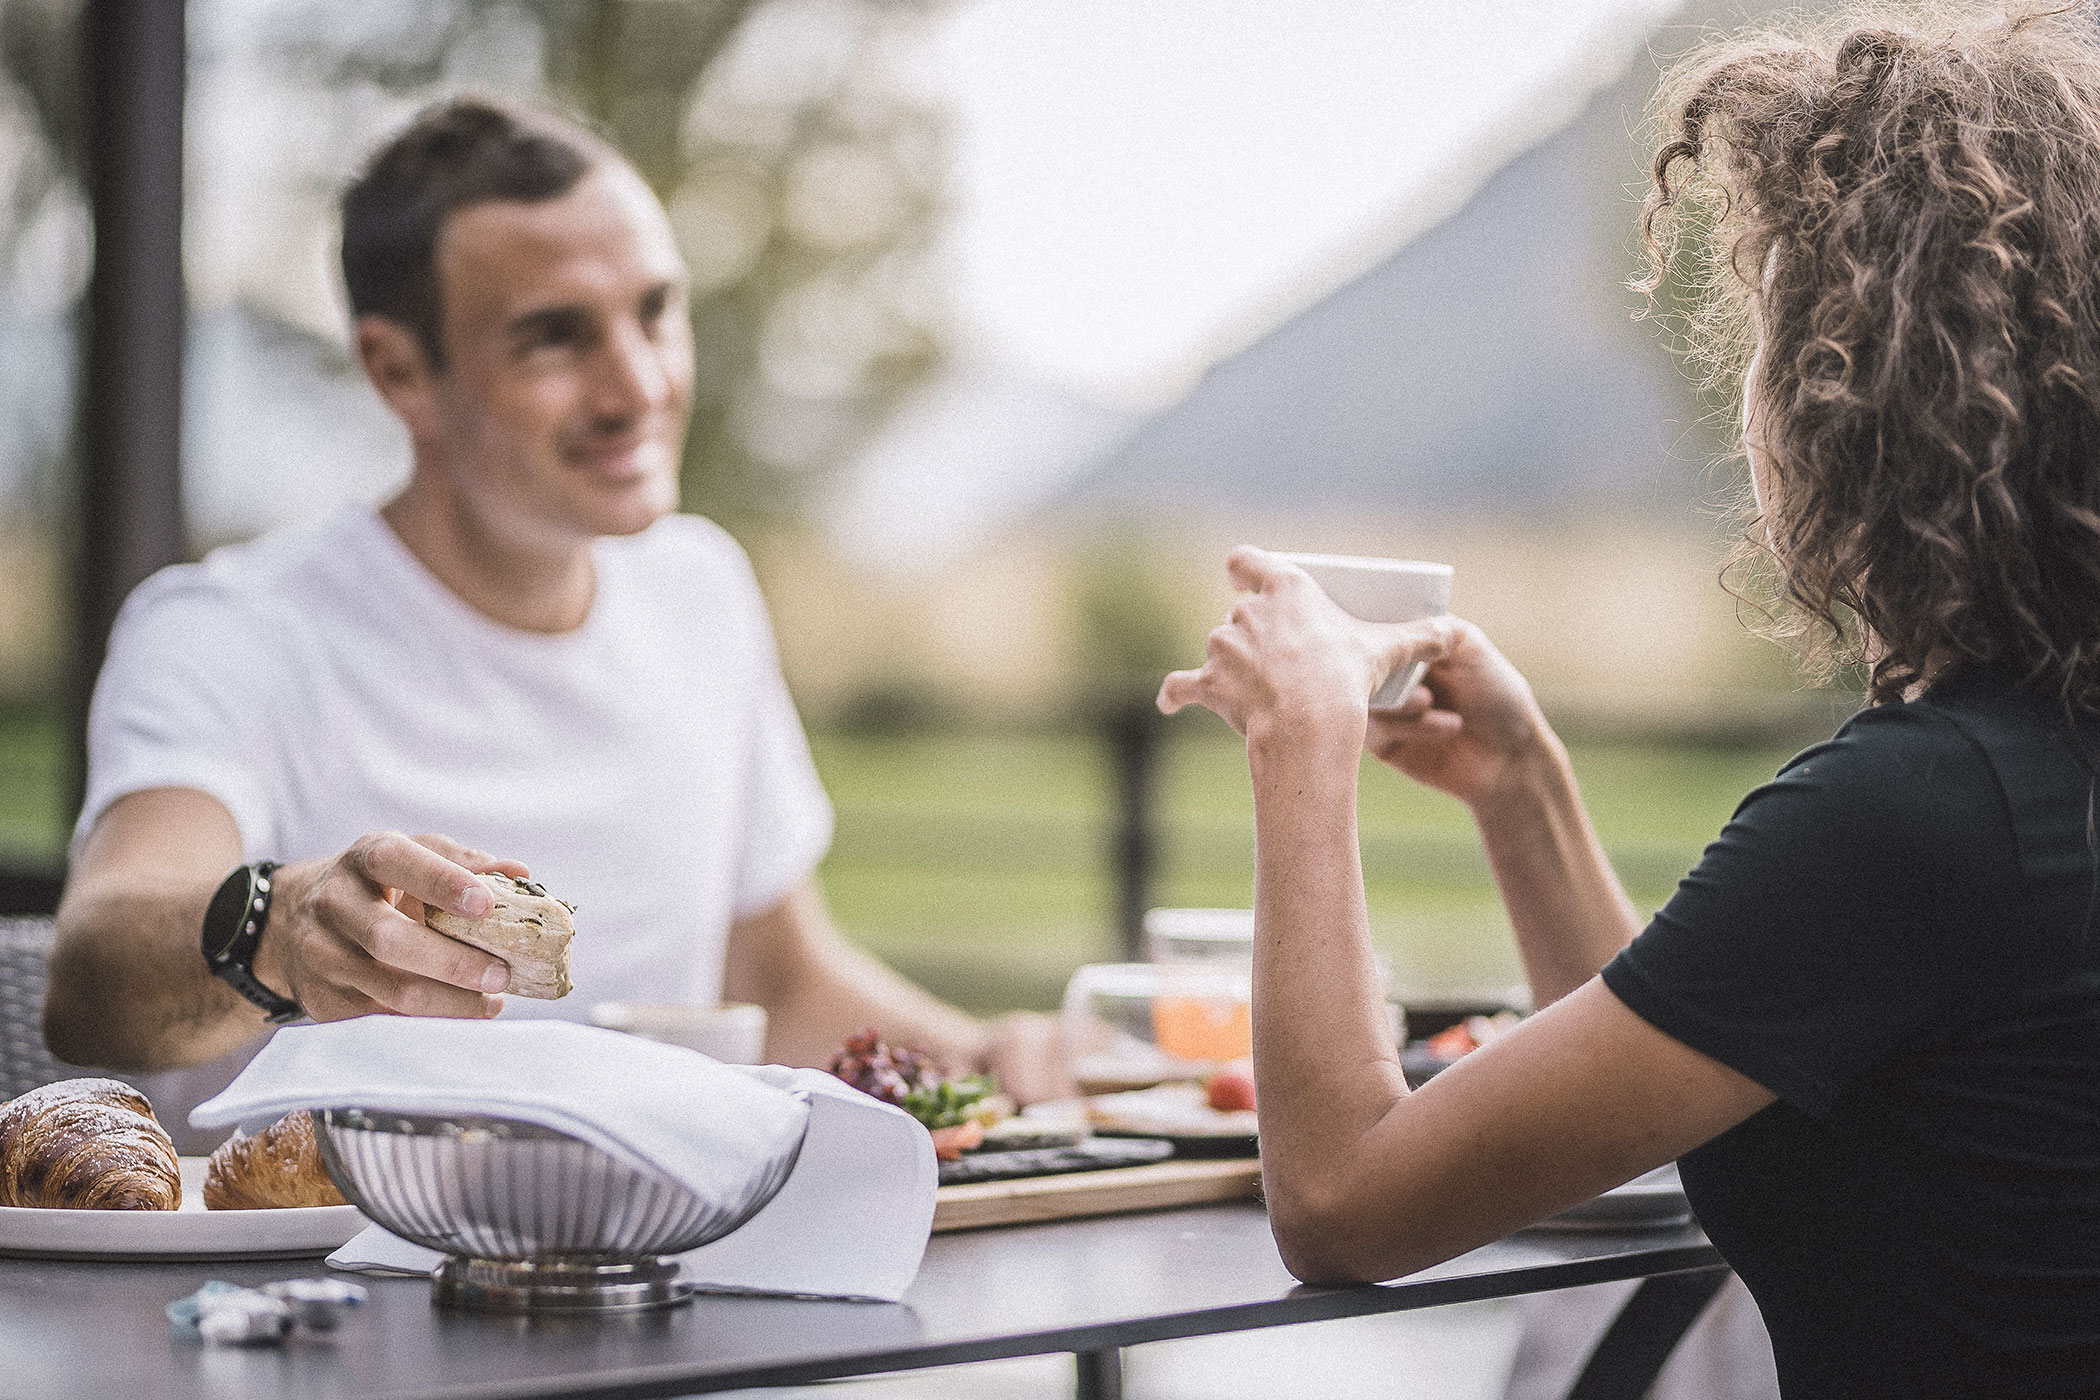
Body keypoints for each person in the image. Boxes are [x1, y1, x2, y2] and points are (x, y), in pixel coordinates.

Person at [1159, 6, 2100, 1396]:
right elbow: (1689, 1074)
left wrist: (1303, 743)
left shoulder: (1914, 815)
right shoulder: (2026, 783)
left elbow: (1347, 1202)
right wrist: (1524, 793)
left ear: (1848, 392)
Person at [43, 95, 1059, 1149]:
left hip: (658, 1242)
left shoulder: (700, 589)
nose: (639, 385)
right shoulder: (229, 631)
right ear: (399, 371)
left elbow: (773, 974)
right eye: (555, 339)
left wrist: (987, 1057)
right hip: (330, 1250)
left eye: (655, 312)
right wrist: (280, 926)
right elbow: (90, 981)